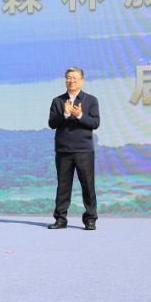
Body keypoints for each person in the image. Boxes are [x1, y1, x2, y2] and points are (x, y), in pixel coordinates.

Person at [47, 67, 100, 230]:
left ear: (82, 80)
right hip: (63, 150)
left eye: (75, 78)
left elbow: (95, 123)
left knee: (87, 185)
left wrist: (79, 115)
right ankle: (60, 219)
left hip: (84, 149)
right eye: (69, 78)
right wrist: (64, 114)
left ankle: (90, 219)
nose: (71, 81)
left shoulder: (91, 100)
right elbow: (52, 123)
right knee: (63, 186)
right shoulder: (57, 101)